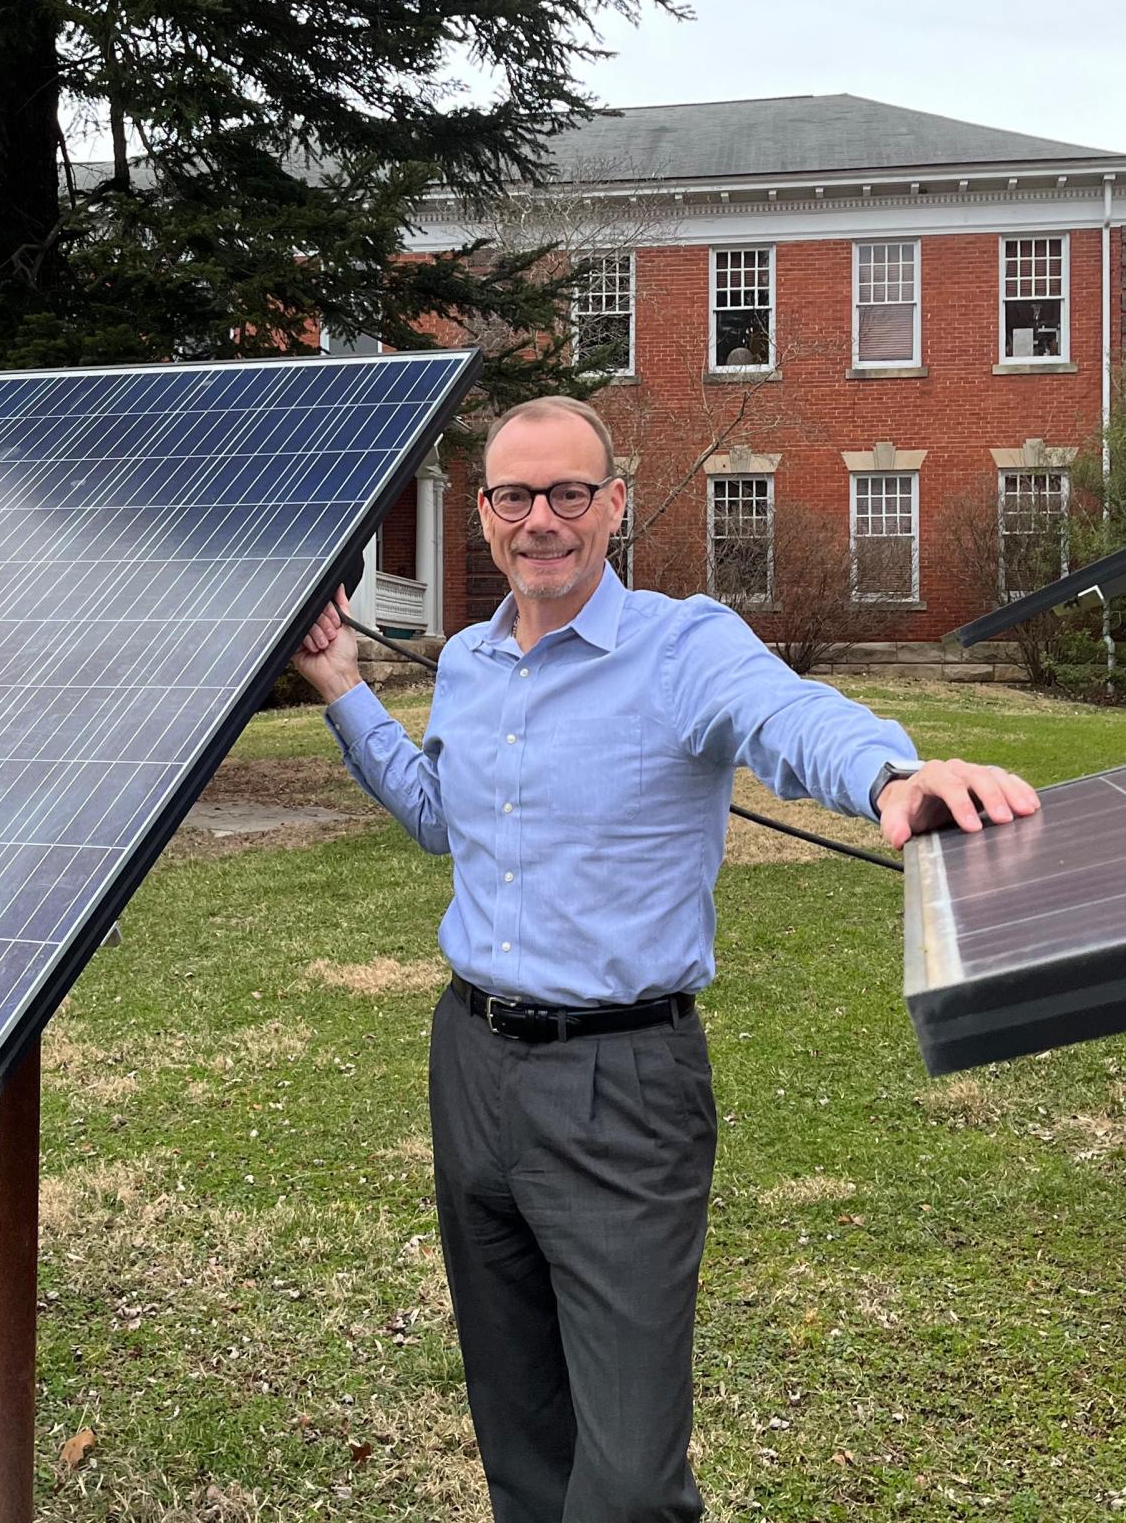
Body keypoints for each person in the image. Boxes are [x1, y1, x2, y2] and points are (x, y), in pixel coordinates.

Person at [293, 395, 1040, 1523]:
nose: (541, 519)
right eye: (514, 495)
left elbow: (788, 719)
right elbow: (447, 819)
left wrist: (892, 777)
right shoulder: (472, 665)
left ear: (615, 506)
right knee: (522, 1431)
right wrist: (345, 685)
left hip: (622, 1089)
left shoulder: (683, 646)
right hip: (471, 1064)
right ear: (486, 514)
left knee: (632, 1480)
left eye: (569, 494)